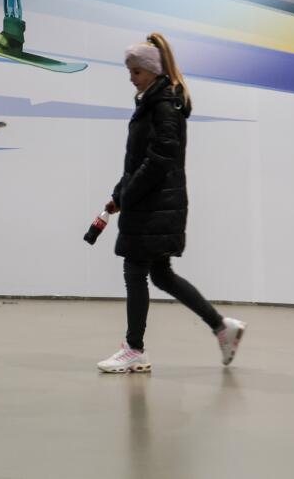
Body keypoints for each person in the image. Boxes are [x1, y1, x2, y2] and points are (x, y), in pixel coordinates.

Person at [95, 33, 243, 373]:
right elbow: (138, 161)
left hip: (154, 204)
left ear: (153, 71)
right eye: (129, 71)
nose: (131, 78)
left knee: (135, 269)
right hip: (155, 201)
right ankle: (222, 327)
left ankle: (134, 349)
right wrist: (119, 194)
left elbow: (161, 158)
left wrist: (129, 194)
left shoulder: (163, 105)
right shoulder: (155, 101)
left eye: (136, 71)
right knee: (160, 274)